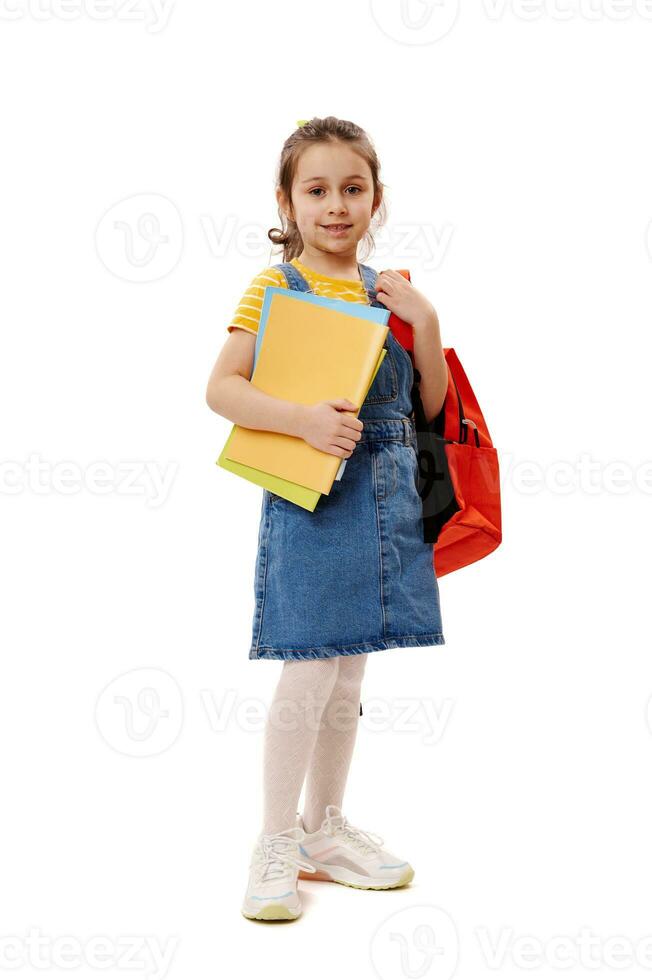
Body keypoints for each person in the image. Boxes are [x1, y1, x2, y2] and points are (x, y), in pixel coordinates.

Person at [205, 116, 449, 922]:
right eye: (317, 190)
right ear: (287, 200)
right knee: (309, 664)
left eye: (353, 188)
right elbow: (222, 389)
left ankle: (323, 830)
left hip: (385, 498)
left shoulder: (391, 290)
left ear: (378, 198)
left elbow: (429, 409)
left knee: (349, 669)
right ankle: (275, 837)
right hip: (314, 496)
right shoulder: (276, 289)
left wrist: (428, 325)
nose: (336, 206)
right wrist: (303, 421)